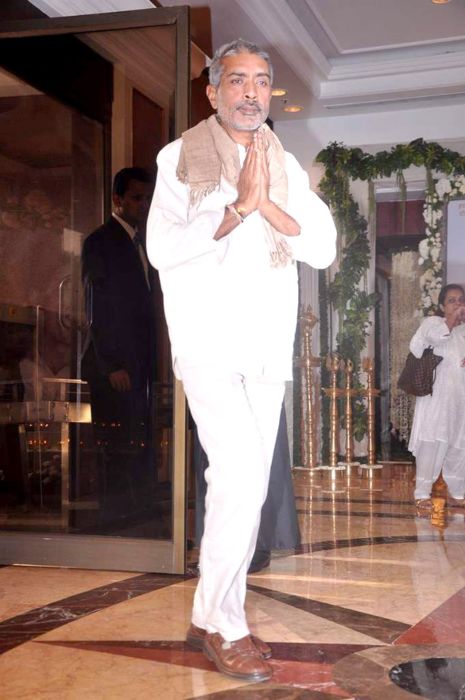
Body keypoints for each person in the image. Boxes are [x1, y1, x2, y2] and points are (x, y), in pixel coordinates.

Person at [146, 39, 337, 683]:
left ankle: (208, 613)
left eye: (260, 81)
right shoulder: (179, 159)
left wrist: (264, 204)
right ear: (213, 92)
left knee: (237, 484)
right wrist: (233, 212)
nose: (250, 92)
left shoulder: (283, 163)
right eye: (236, 81)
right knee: (245, 475)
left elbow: (323, 247)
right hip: (208, 344)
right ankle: (226, 626)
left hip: (264, 349)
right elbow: (161, 248)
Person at [81, 167, 155, 525]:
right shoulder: (101, 241)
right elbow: (96, 307)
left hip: (138, 364)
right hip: (113, 365)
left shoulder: (141, 242)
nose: (143, 204)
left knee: (135, 439)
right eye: (136, 198)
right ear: (118, 200)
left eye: (146, 198)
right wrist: (111, 364)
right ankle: (114, 521)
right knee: (114, 445)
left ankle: (136, 517)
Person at [193, 402, 300, 573]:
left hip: (256, 383)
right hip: (215, 385)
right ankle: (218, 544)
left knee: (255, 456)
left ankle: (256, 543)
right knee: (217, 459)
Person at [408, 283, 465, 512]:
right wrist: (450, 320)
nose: (457, 304)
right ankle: (422, 493)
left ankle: (458, 491)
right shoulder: (432, 324)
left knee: (459, 446)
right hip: (436, 401)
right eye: (451, 300)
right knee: (431, 445)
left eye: (460, 300)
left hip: (459, 401)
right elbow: (435, 340)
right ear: (442, 305)